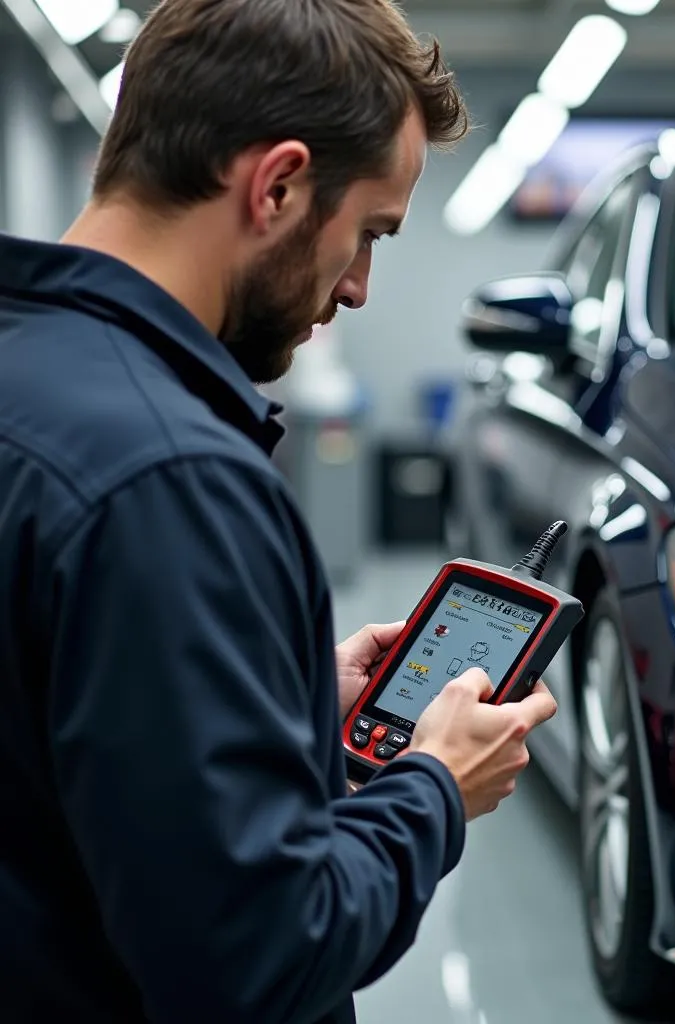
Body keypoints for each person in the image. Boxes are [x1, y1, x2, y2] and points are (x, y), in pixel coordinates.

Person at [0, 1, 559, 1022]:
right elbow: (258, 956)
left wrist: (281, 696)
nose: (355, 289)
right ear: (280, 185)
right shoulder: (173, 479)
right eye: (367, 236)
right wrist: (434, 785)